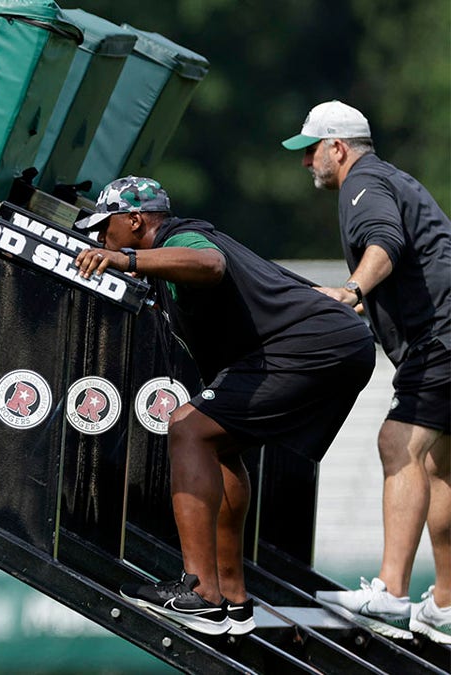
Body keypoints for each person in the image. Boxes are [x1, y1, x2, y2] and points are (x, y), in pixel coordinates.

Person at [72, 176, 376, 635]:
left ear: (134, 221)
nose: (99, 240)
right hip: (335, 344)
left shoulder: (183, 237)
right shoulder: (166, 264)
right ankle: (232, 597)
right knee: (219, 444)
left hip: (315, 346)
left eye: (103, 229)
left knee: (187, 428)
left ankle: (200, 593)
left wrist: (127, 258)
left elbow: (209, 264)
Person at [282, 100, 451, 644]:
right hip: (444, 336)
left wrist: (353, 289)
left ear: (338, 148)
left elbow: (386, 242)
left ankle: (392, 596)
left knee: (396, 444)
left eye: (310, 151)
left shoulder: (364, 187)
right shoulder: (386, 179)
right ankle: (445, 605)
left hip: (441, 338)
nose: (305, 162)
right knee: (441, 468)